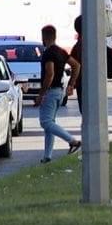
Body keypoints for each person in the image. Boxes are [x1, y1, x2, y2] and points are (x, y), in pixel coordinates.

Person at [36, 24, 81, 161]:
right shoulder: (61, 51)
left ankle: (72, 141)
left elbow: (50, 74)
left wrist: (41, 94)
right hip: (59, 91)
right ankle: (47, 156)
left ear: (44, 37)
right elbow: (76, 65)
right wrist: (71, 84)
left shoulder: (48, 53)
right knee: (50, 123)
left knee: (45, 122)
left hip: (50, 92)